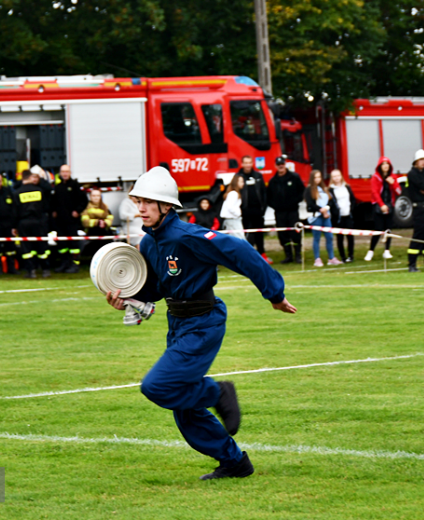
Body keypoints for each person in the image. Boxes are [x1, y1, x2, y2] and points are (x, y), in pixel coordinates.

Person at [105, 166, 296, 480]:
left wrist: (273, 293)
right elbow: (154, 290)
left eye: (148, 202)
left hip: (204, 322)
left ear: (166, 206)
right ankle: (234, 462)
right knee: (184, 409)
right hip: (177, 324)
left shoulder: (187, 235)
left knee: (158, 386)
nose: (140, 208)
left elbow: (240, 251)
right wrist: (126, 298)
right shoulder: (148, 244)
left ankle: (217, 392)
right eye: (138, 201)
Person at [267, 156, 305, 264]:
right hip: (280, 212)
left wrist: (295, 201)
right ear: (276, 166)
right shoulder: (273, 181)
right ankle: (288, 256)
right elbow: (268, 197)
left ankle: (298, 255)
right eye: (278, 165)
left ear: (285, 164)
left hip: (293, 211)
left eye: (282, 164)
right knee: (283, 234)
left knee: (295, 233)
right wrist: (276, 206)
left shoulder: (294, 177)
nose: (281, 166)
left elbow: (302, 191)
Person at [14, 169, 51, 278]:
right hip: (39, 222)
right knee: (42, 246)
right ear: (30, 178)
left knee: (26, 248)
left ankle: (31, 271)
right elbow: (45, 207)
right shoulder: (39, 191)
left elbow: (15, 211)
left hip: (24, 223)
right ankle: (46, 270)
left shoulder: (17, 193)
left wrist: (14, 226)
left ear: (22, 178)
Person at [52, 165, 88, 273]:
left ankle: (75, 264)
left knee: (73, 245)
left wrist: (77, 211)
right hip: (60, 221)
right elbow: (54, 202)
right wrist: (54, 211)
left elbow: (84, 201)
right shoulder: (58, 187)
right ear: (60, 173)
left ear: (70, 173)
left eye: (66, 172)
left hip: (72, 222)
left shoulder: (75, 186)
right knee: (62, 244)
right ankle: (64, 263)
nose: (65, 174)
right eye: (63, 172)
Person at [237, 155, 271, 263]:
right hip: (244, 213)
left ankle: (262, 254)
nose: (248, 165)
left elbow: (264, 194)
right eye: (245, 163)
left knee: (259, 234)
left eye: (249, 163)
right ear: (242, 164)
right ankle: (247, 256)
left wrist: (263, 209)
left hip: (258, 211)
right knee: (246, 235)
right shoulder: (238, 176)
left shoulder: (258, 176)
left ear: (252, 164)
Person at [366, 157, 401, 261]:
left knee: (388, 229)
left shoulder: (393, 177)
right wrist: (381, 205)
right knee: (378, 229)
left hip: (390, 206)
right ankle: (371, 251)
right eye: (383, 164)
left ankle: (387, 250)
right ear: (379, 166)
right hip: (378, 207)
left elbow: (399, 192)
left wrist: (393, 183)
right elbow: (375, 193)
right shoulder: (375, 178)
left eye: (387, 164)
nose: (385, 166)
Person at [305, 170, 341, 267]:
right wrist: (321, 210)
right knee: (316, 238)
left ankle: (331, 258)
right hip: (316, 217)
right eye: (315, 177)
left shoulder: (324, 188)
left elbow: (331, 201)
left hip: (326, 216)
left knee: (329, 237)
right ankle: (317, 258)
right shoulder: (309, 190)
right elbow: (310, 205)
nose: (317, 179)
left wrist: (327, 208)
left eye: (319, 177)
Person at [328, 169, 358, 263]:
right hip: (338, 218)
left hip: (348, 215)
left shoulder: (347, 187)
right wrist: (336, 212)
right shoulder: (330, 190)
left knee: (350, 237)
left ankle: (351, 255)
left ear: (341, 176)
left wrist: (351, 209)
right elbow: (331, 203)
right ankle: (343, 257)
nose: (336, 178)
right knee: (340, 238)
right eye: (334, 176)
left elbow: (353, 200)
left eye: (338, 176)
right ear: (332, 178)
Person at [81, 189, 115, 257]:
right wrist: (98, 222)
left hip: (104, 230)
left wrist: (105, 223)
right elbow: (85, 221)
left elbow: (110, 218)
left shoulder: (105, 207)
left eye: (98, 196)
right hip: (91, 231)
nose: (96, 197)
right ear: (90, 197)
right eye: (94, 196)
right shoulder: (86, 207)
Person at [220, 175, 246, 240]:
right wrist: (238, 213)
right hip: (232, 220)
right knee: (240, 239)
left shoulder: (232, 193)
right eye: (241, 181)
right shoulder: (234, 193)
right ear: (236, 182)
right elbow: (230, 206)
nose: (243, 183)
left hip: (232, 220)